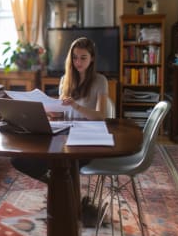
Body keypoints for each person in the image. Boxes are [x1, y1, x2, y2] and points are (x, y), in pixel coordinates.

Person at [11, 37, 109, 182]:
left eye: (83, 58)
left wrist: (76, 106)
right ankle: (57, 183)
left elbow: (101, 116)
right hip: (65, 133)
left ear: (92, 58)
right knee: (19, 159)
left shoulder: (100, 81)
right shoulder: (65, 79)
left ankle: (60, 185)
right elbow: (59, 112)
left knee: (63, 163)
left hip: (87, 138)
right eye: (75, 58)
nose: (78, 62)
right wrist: (49, 111)